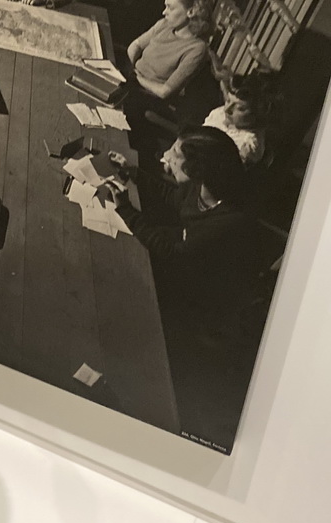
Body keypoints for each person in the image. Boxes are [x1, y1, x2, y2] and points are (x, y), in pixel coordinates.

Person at [105, 127, 263, 445]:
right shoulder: (204, 189)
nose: (165, 158)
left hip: (198, 295)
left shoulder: (228, 219)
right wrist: (132, 173)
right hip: (187, 262)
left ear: (197, 170)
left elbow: (173, 253)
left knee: (116, 283)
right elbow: (173, 198)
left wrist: (124, 208)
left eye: (174, 155)